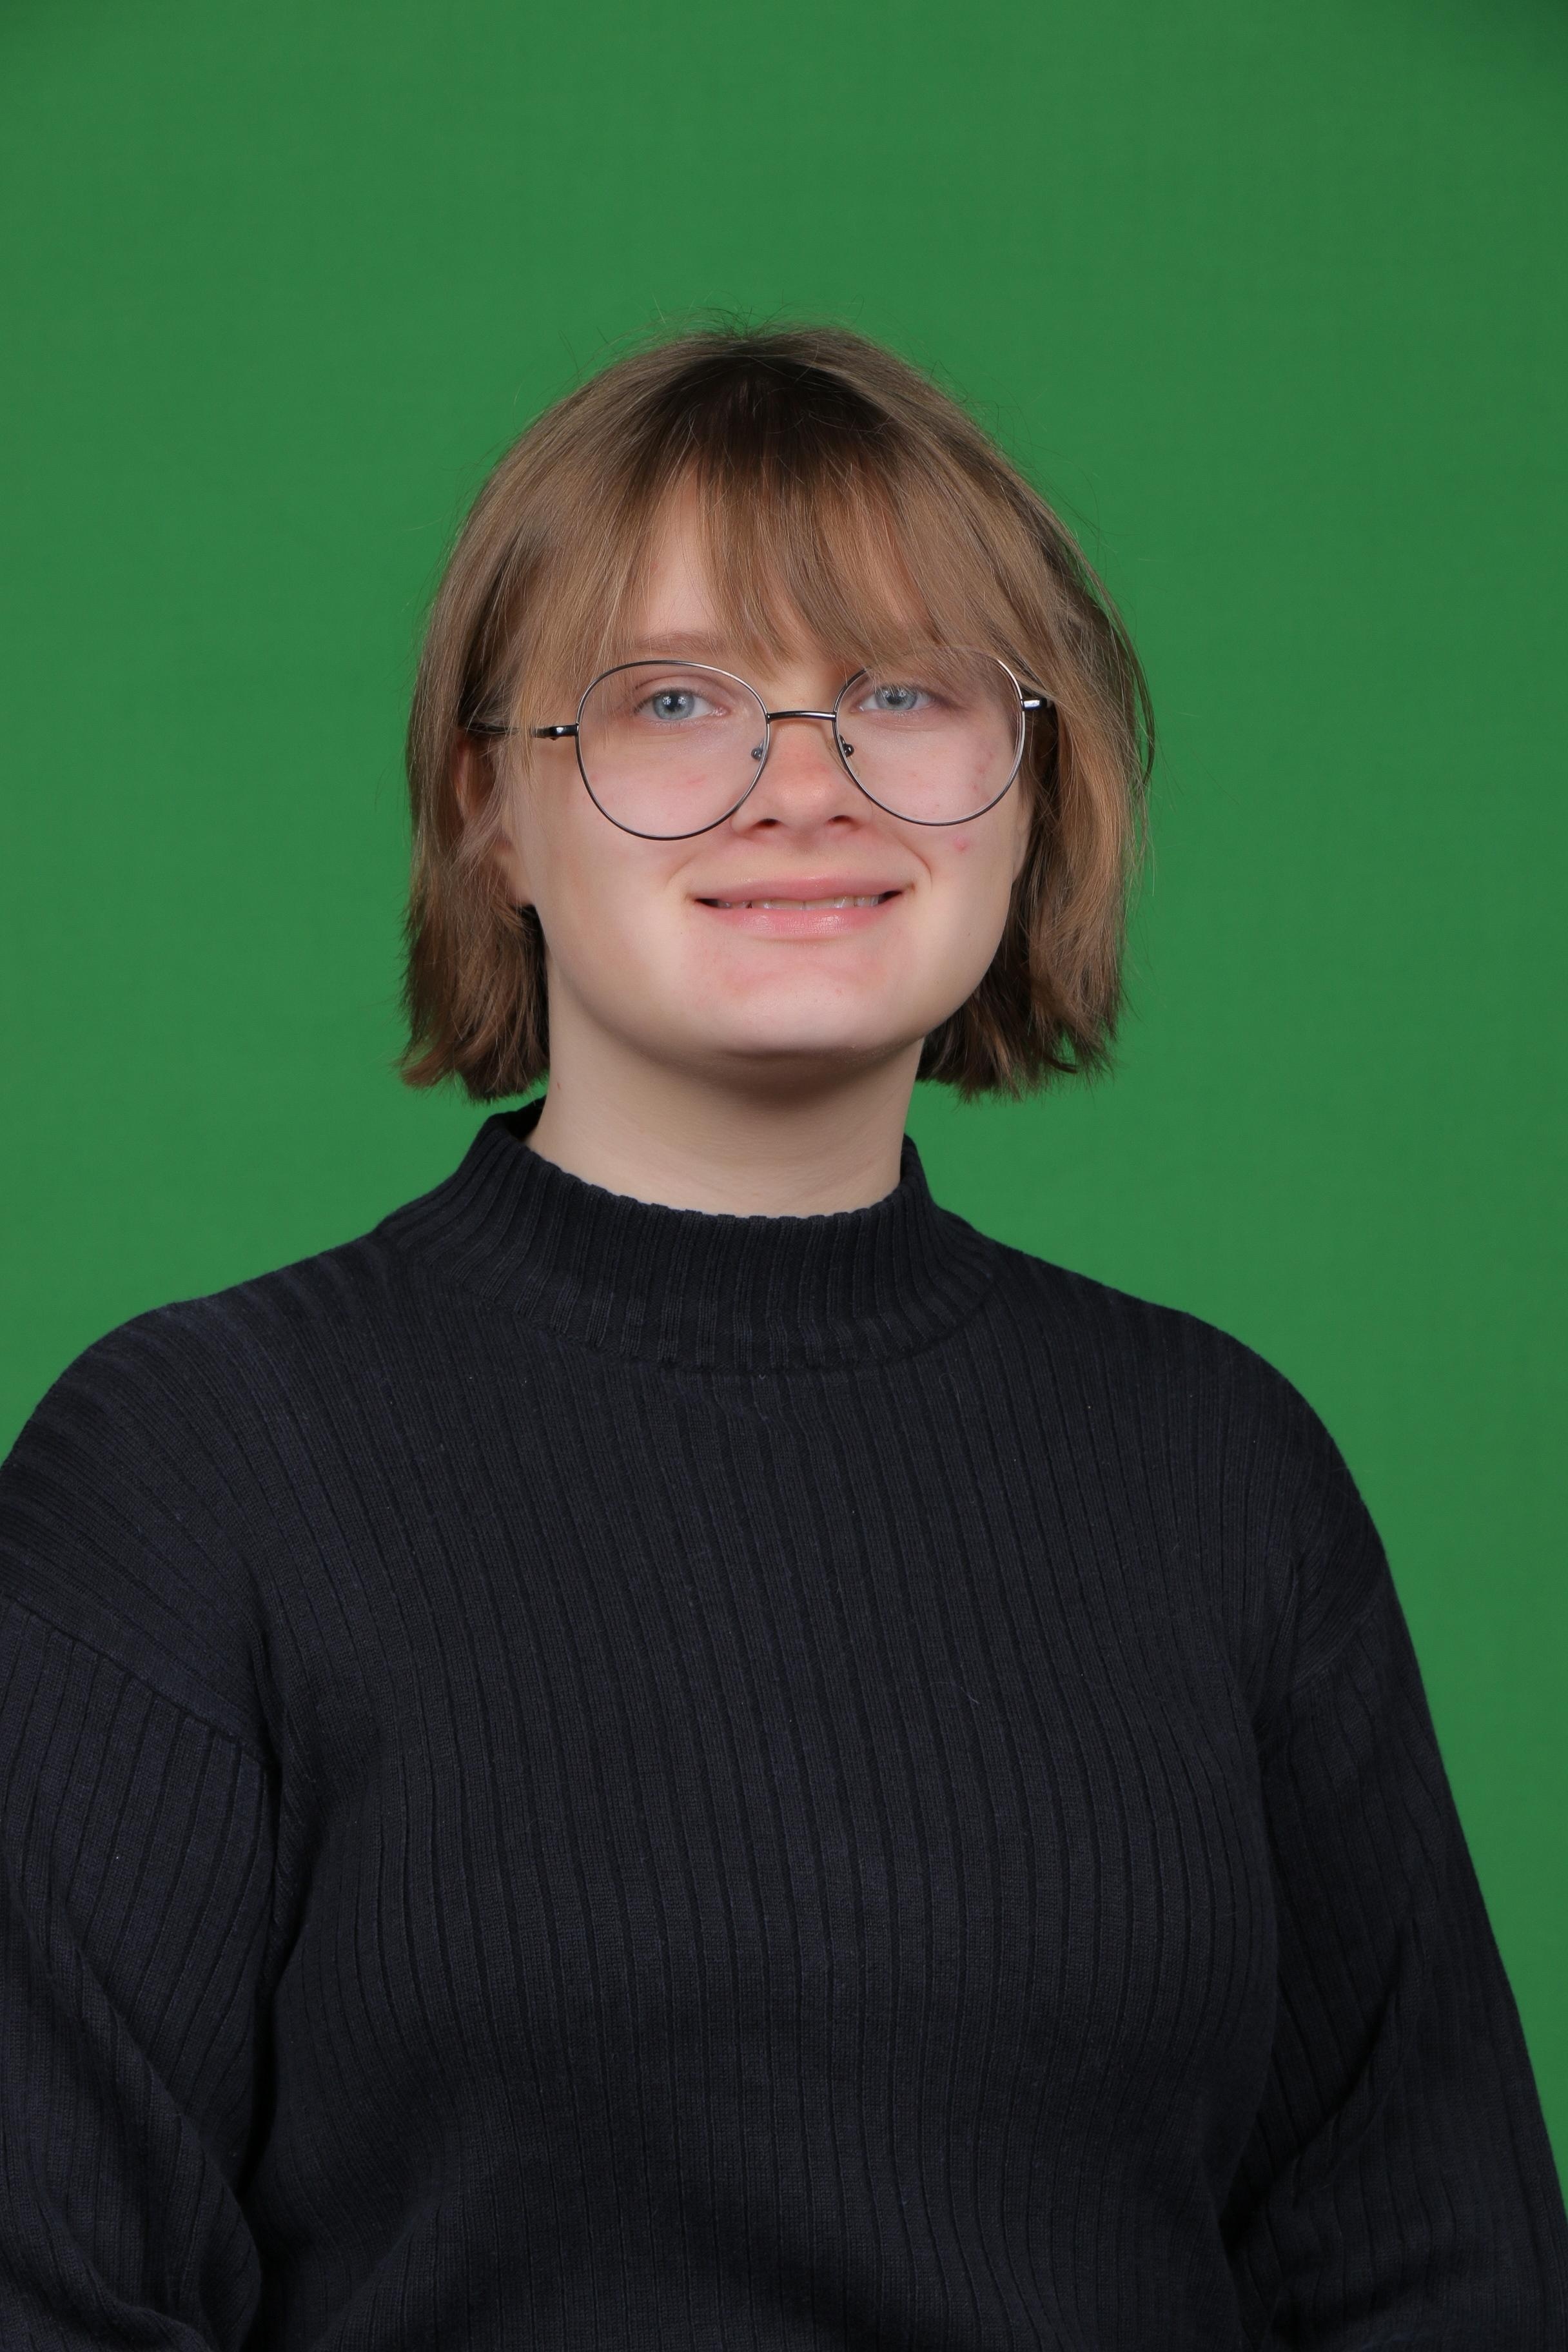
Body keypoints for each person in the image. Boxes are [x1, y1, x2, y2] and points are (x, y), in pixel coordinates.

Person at [1, 324, 1562, 2351]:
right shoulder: (192, 1473)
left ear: (1030, 786)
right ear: (491, 810)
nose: (805, 790)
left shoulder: (1223, 1470)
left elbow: (1440, 2277)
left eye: (904, 692)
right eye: (674, 702)